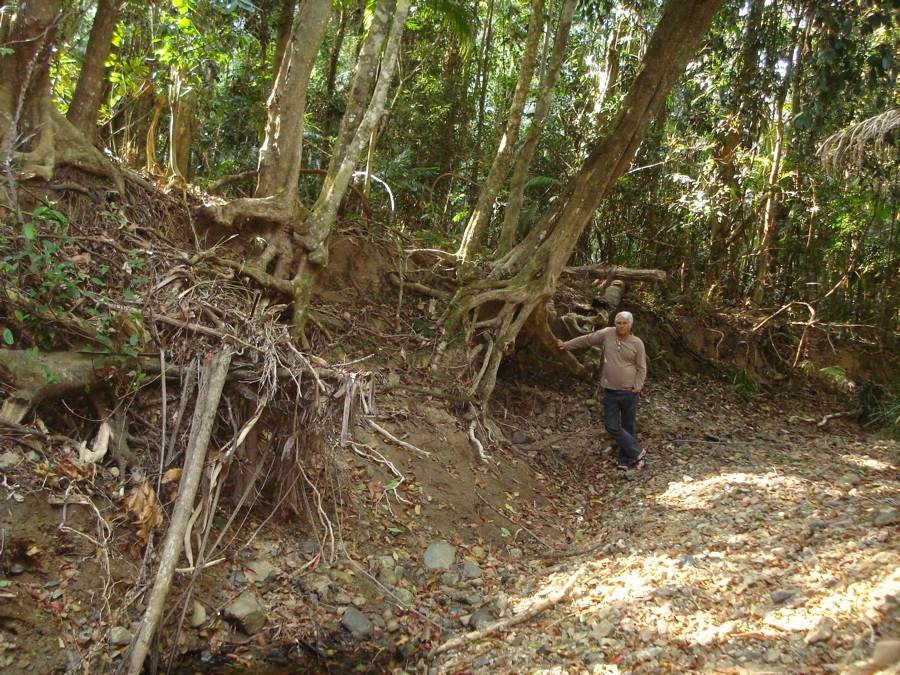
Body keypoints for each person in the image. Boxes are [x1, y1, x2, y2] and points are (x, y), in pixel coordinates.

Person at [557, 311, 648, 471]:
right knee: (611, 426)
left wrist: (638, 386)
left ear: (630, 324)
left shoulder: (637, 343)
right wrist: (566, 344)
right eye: (618, 323)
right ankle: (638, 452)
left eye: (624, 323)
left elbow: (641, 367)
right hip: (610, 391)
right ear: (615, 323)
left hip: (629, 392)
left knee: (628, 426)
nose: (621, 326)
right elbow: (587, 339)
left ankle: (625, 460)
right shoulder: (607, 334)